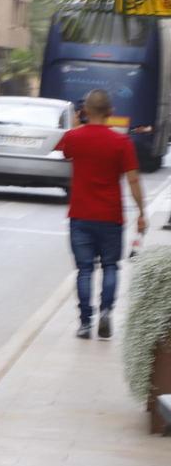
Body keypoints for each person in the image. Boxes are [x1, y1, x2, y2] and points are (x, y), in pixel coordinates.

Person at [57, 89, 147, 339]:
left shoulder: (74, 137)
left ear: (84, 111)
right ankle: (106, 311)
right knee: (110, 267)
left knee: (84, 270)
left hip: (81, 216)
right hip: (111, 217)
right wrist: (141, 212)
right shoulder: (121, 143)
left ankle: (85, 323)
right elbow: (133, 180)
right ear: (110, 112)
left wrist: (76, 124)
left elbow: (64, 151)